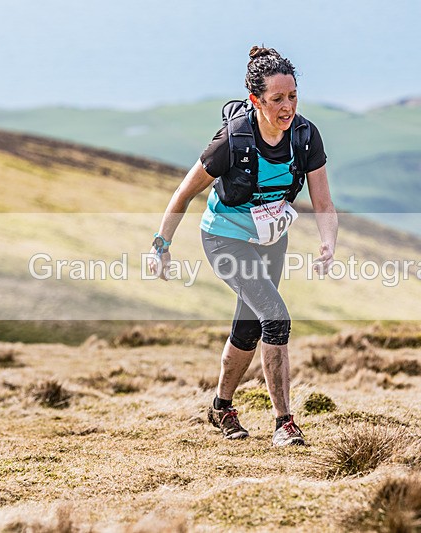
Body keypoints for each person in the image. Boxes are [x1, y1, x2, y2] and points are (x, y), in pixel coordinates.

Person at [148, 46, 337, 447]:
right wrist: (160, 245)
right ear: (256, 100)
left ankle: (221, 406)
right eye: (277, 100)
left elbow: (323, 202)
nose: (287, 108)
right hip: (225, 238)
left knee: (250, 325)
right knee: (276, 317)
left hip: (271, 240)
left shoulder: (305, 136)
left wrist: (327, 244)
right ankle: (284, 423)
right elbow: (182, 194)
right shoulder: (231, 142)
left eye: (293, 97)